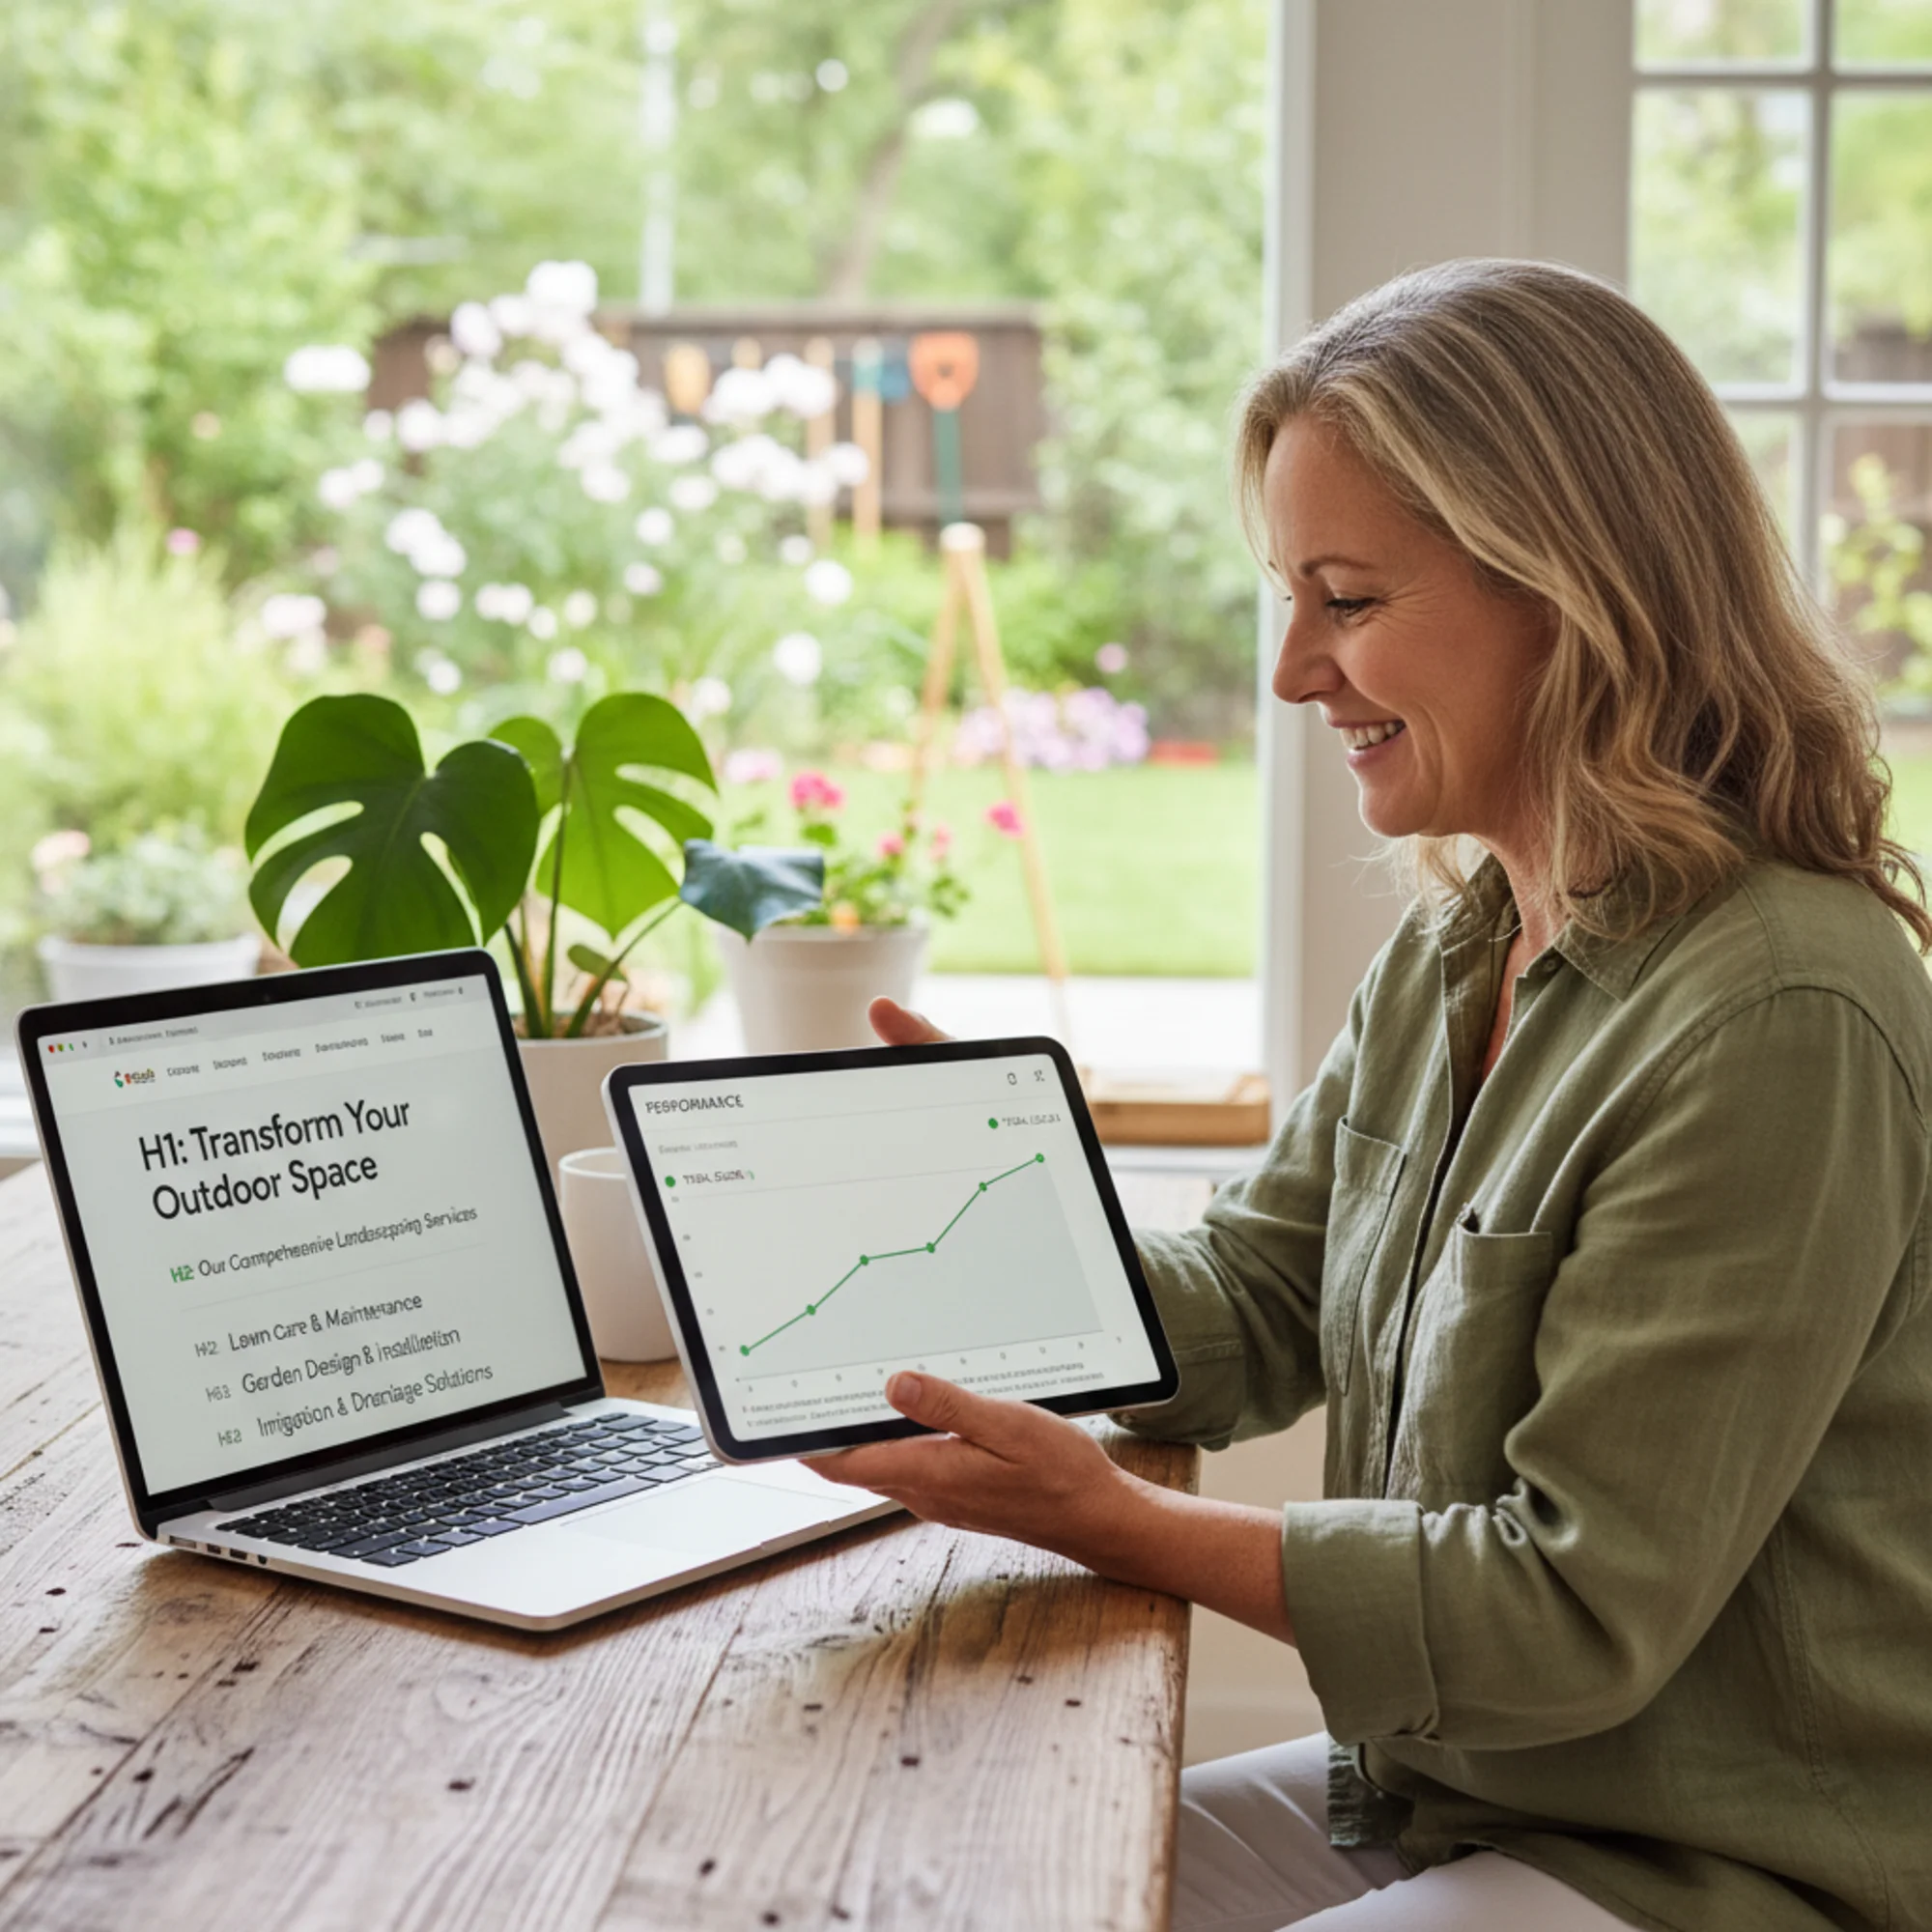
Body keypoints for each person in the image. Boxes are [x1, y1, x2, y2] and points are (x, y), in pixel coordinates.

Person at [804, 259, 1932, 1931]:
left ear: (1573, 590)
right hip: (1458, 1791)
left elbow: (1566, 1610)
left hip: (1719, 1868)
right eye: (1290, 596)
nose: (1291, 674)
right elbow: (1263, 1296)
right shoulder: (1467, 941)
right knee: (954, 1881)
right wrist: (995, 1223)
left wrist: (1114, 1523)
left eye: (1347, 598)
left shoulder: (1780, 1011)